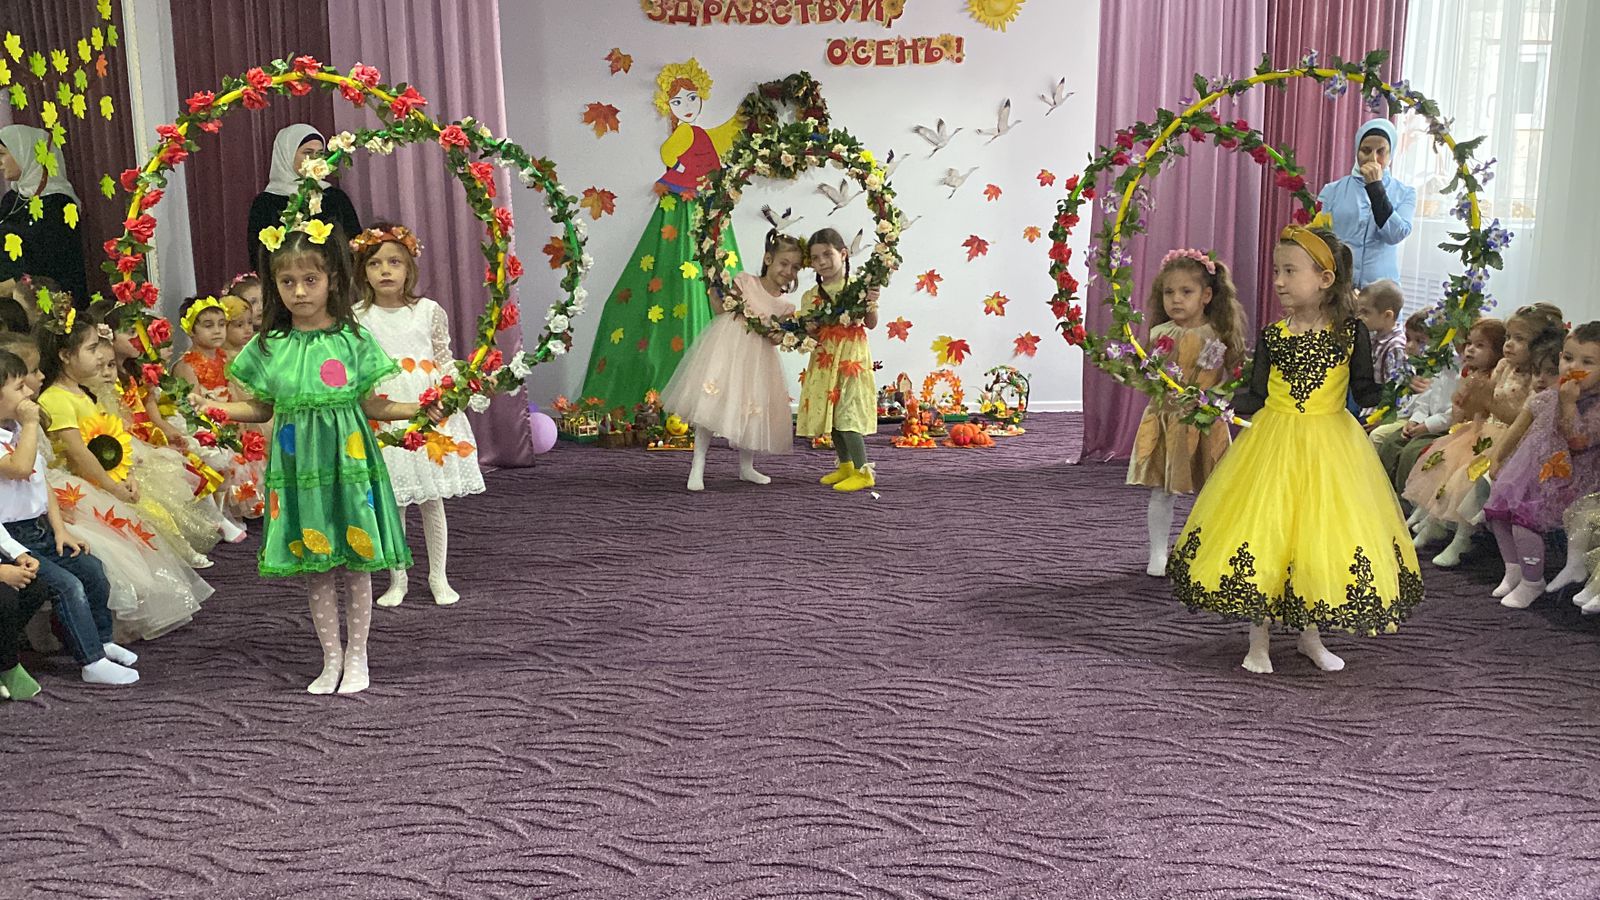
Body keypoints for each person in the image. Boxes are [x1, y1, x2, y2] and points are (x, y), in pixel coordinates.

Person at [1167, 218, 1423, 674]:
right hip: (1273, 445)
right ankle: (1258, 640)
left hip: (1331, 448)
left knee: (1317, 538)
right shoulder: (1274, 335)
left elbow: (1365, 391)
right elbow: (1255, 395)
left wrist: (1404, 384)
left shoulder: (1351, 334)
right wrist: (1207, 399)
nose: (1279, 281)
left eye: (1290, 271)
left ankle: (1310, 636)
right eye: (1276, 271)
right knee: (1265, 534)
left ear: (1324, 279)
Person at [209, 227, 441, 695]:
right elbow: (261, 407)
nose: (299, 291)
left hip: (348, 464)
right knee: (315, 564)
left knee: (355, 561)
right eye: (287, 282)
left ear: (332, 279)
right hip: (299, 471)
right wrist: (216, 409)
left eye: (310, 280)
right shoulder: (269, 345)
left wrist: (419, 407)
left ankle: (358, 656)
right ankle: (330, 657)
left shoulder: (353, 339)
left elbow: (373, 404)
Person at [576, 58, 744, 412]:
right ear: (668, 106)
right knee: (676, 277)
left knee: (714, 278)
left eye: (692, 99)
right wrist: (680, 156)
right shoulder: (684, 134)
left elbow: (723, 136)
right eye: (678, 101)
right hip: (679, 201)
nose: (687, 106)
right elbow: (669, 153)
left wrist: (745, 117)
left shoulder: (701, 135)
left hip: (706, 203)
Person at [351, 223, 484, 607]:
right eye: (375, 263)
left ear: (409, 267)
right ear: (363, 271)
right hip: (385, 411)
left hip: (427, 410)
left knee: (431, 498)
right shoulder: (357, 317)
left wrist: (458, 386)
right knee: (393, 501)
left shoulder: (428, 311)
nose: (385, 270)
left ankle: (438, 576)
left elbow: (443, 358)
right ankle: (399, 578)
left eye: (394, 262)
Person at [0, 342, 139, 685]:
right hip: (10, 540)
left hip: (39, 528)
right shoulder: (19, 431)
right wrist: (30, 424)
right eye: (18, 387)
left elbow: (39, 480)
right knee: (66, 586)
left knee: (91, 570)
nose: (28, 393)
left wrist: (60, 528)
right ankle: (91, 662)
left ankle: (102, 640)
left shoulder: (17, 429)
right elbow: (19, 467)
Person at [1407, 304, 1561, 568]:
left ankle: (1463, 538)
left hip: (1511, 439)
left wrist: (1487, 399)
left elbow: (1521, 420)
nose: (1509, 344)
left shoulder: (1537, 379)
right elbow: (1482, 404)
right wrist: (1467, 399)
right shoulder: (1503, 366)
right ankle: (1434, 520)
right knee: (1446, 464)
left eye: (1519, 339)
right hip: (1483, 431)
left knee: (1467, 475)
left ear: (1538, 345)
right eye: (1509, 337)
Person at [1125, 249, 1247, 576]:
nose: (1176, 299)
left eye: (1186, 292)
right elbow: (1148, 376)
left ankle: (1208, 550)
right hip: (1167, 420)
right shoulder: (1158, 334)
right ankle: (1158, 553)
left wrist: (1211, 397)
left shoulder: (1216, 335)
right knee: (1162, 490)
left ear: (1206, 296)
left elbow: (1225, 378)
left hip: (1204, 423)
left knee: (1212, 491)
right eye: (1169, 292)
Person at [662, 229, 802, 491]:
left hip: (758, 362)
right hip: (728, 350)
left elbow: (775, 339)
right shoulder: (745, 281)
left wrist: (779, 333)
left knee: (751, 410)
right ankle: (698, 465)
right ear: (768, 259)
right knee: (709, 404)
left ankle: (746, 467)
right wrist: (713, 287)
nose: (788, 271)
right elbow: (721, 310)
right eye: (784, 263)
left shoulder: (786, 307)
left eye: (795, 267)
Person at [1485, 323, 1598, 609]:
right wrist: (1497, 458)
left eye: (1587, 362)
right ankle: (1513, 569)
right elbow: (1517, 430)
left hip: (1574, 481)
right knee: (1498, 514)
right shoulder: (1546, 396)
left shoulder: (1595, 406)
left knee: (1525, 521)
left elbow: (1577, 441)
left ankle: (1532, 580)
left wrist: (1569, 404)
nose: (1574, 367)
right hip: (1532, 471)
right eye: (1568, 358)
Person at [796, 228, 882, 494]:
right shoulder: (811, 295)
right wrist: (810, 327)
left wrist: (871, 302)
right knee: (831, 415)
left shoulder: (857, 288)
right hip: (825, 359)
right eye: (815, 257)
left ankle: (863, 472)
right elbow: (810, 333)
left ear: (843, 254)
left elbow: (871, 323)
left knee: (848, 413)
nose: (821, 262)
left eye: (827, 254)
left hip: (851, 358)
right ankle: (845, 466)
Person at [245, 125, 361, 274]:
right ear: (287, 155)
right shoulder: (266, 203)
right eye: (307, 153)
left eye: (319, 154)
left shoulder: (335, 197)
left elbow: (354, 245)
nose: (315, 159)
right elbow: (259, 255)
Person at [1317, 118, 1416, 288]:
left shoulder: (1405, 193)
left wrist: (1376, 187)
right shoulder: (1332, 191)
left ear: (1391, 155)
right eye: (1366, 150)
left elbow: (1395, 235)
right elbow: (1320, 239)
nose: (1373, 158)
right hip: (1339, 287)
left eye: (1381, 152)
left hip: (1381, 292)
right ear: (1356, 152)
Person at [0, 125, 88, 304]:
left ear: (24, 152)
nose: (0, 163)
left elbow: (53, 264)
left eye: (2, 154)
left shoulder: (59, 204)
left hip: (43, 304)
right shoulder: (11, 199)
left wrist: (11, 286)